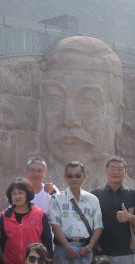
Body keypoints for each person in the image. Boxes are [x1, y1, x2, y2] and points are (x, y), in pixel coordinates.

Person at [39, 36, 124, 188]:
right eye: (55, 99)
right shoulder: (26, 193)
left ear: (117, 117)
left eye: (87, 102)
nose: (69, 119)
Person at [50, 161, 103, 264]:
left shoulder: (93, 199)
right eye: (70, 175)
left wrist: (89, 247)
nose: (74, 178)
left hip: (85, 249)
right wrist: (68, 247)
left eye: (77, 175)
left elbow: (98, 226)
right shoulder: (56, 199)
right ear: (65, 177)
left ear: (84, 177)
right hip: (63, 249)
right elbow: (55, 225)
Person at [0, 178, 53, 264]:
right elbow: (1, 242)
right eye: (14, 194)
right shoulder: (5, 216)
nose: (17, 196)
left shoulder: (40, 214)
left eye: (20, 193)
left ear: (27, 194)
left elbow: (47, 241)